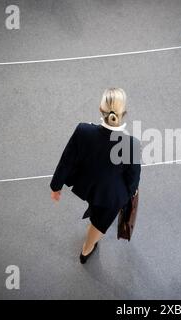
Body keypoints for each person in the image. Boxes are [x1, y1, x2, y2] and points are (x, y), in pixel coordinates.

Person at [50, 88, 141, 264]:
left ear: (101, 109)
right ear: (124, 112)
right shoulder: (132, 145)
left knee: (97, 207)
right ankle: (86, 249)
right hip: (112, 195)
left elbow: (66, 160)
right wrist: (128, 197)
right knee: (99, 223)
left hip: (86, 185)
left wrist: (56, 186)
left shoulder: (83, 130)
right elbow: (132, 179)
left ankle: (93, 219)